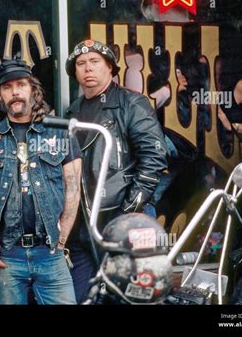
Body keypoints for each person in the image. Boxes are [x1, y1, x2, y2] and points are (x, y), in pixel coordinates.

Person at [0, 58, 82, 304]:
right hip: (7, 253)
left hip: (50, 252)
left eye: (21, 84)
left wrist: (60, 240)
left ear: (33, 89)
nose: (15, 92)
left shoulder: (60, 132)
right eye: (7, 87)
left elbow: (73, 189)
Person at [65, 39, 169, 303]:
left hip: (127, 218)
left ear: (110, 67)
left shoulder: (131, 103)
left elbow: (154, 156)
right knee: (83, 297)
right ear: (75, 71)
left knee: (133, 296)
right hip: (85, 225)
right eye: (81, 63)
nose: (87, 68)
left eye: (94, 61)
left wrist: (129, 211)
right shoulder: (72, 112)